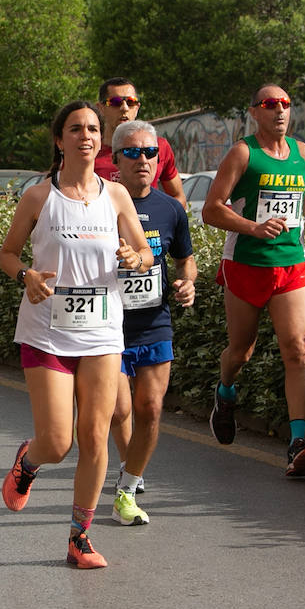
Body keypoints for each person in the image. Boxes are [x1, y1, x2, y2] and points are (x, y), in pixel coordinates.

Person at [0, 100, 152, 568]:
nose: (85, 136)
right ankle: (29, 460)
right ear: (59, 139)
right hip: (47, 332)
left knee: (95, 436)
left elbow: (145, 253)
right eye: (75, 129)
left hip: (102, 330)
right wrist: (27, 274)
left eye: (92, 129)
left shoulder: (117, 196)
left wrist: (135, 258)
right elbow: (7, 255)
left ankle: (79, 537)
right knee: (58, 442)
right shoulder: (39, 197)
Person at [202, 84, 305, 477]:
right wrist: (253, 228)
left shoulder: (302, 153)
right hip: (246, 263)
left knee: (297, 350)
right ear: (254, 111)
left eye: (286, 104)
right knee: (241, 352)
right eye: (270, 105)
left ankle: (297, 443)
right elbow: (210, 210)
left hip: (291, 264)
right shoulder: (244, 153)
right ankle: (225, 393)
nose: (280, 111)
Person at [107, 120, 197, 526]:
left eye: (150, 153)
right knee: (119, 409)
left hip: (155, 321)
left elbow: (185, 261)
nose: (142, 160)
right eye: (132, 152)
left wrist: (187, 284)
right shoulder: (99, 204)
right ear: (115, 160)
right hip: (107, 324)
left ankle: (127, 485)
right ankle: (129, 469)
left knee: (151, 408)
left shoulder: (171, 209)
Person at [92, 77, 187, 209]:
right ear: (100, 108)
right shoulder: (89, 152)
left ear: (137, 107)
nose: (124, 108)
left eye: (130, 102)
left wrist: (160, 219)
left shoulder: (158, 146)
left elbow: (178, 197)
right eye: (115, 102)